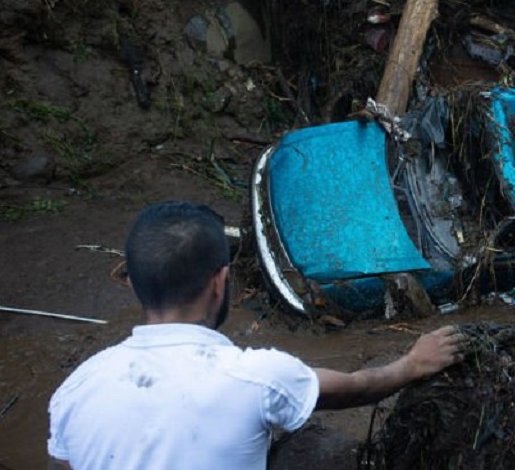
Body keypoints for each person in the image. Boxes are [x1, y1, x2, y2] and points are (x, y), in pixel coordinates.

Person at [47, 201, 465, 470]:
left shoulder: (76, 388)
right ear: (220, 282)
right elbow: (354, 389)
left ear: (133, 284)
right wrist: (412, 364)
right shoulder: (256, 377)